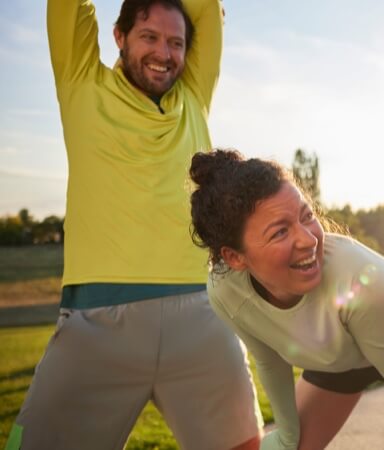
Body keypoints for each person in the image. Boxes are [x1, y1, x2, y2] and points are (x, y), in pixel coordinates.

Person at [6, 1, 262, 449]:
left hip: (202, 319)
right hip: (96, 324)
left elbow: (205, 9)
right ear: (119, 37)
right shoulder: (82, 82)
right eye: (149, 36)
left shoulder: (194, 96)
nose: (164, 53)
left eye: (176, 42)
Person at [188, 149, 384, 450]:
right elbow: (269, 362)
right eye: (280, 232)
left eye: (306, 216)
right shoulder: (226, 291)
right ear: (234, 257)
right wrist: (287, 435)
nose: (308, 239)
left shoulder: (363, 274)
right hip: (338, 361)